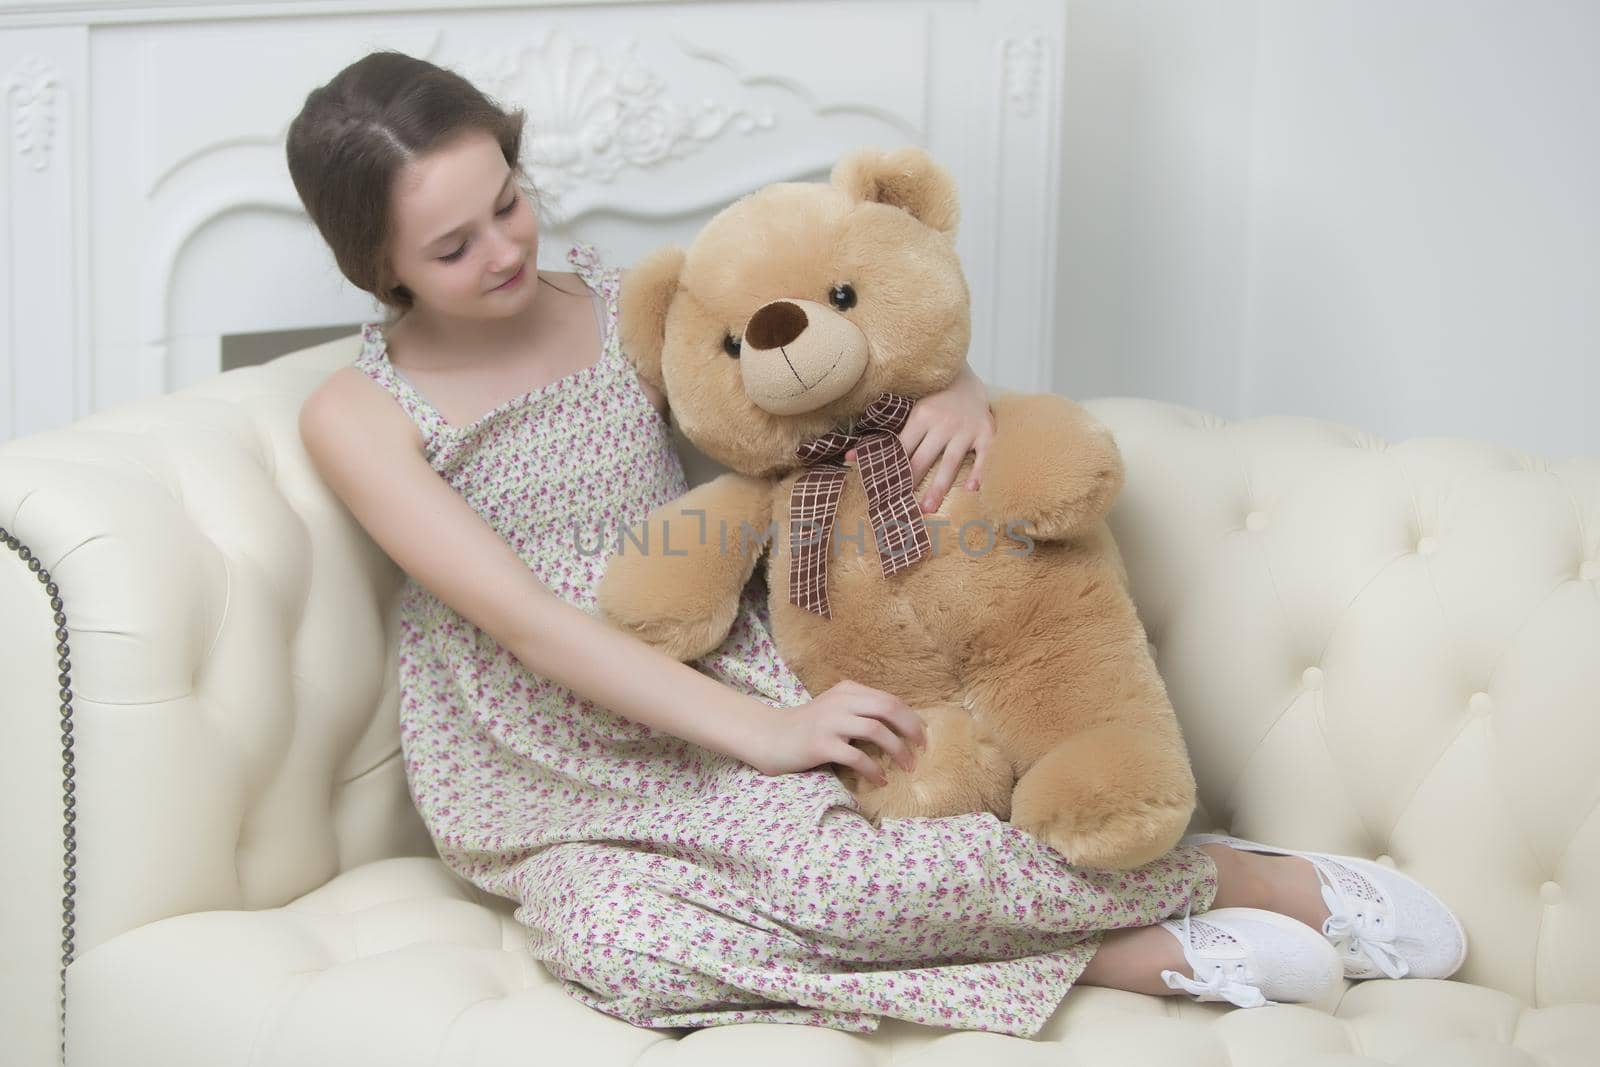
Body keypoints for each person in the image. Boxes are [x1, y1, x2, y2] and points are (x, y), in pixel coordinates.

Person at [287, 49, 1467, 1037]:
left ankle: (1243, 874)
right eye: (452, 247)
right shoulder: (359, 413)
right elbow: (530, 623)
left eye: (507, 199)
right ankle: (1131, 942)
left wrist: (956, 388)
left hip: (706, 664)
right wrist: (770, 732)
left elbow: (819, 374)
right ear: (375, 263)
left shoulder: (611, 302)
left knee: (861, 849)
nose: (502, 247)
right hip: (530, 753)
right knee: (618, 946)